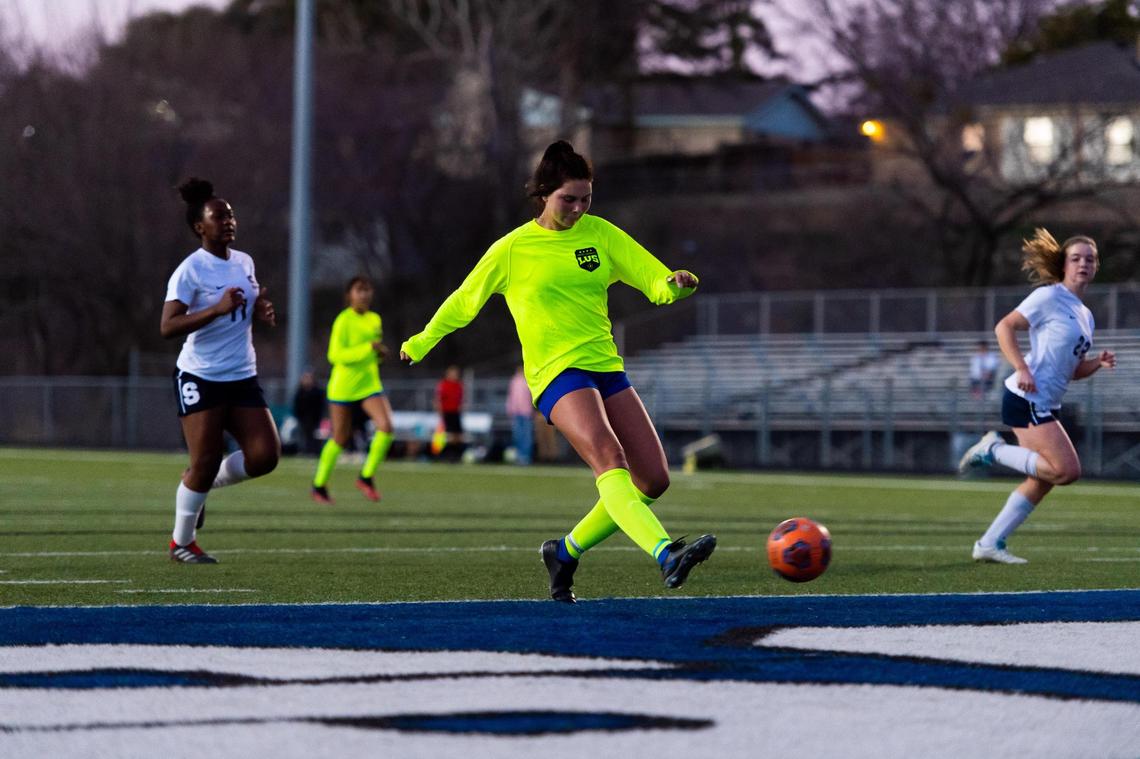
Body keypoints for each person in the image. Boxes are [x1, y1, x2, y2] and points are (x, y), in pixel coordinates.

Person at [400, 140, 716, 602]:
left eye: (586, 199)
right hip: (556, 374)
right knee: (609, 458)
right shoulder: (512, 249)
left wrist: (677, 284)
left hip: (605, 367)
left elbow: (653, 278)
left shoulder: (600, 234)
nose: (579, 208)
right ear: (543, 193)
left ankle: (564, 552)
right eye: (569, 199)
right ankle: (665, 552)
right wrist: (421, 342)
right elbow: (464, 302)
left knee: (654, 479)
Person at [959, 228, 1116, 564]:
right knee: (1067, 471)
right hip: (1026, 397)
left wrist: (1096, 363)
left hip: (1044, 402)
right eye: (1076, 258)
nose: (1083, 264)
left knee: (1043, 478)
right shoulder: (1049, 297)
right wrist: (1022, 368)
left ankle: (989, 543)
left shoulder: (1085, 315)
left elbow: (1073, 371)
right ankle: (993, 449)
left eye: (1090, 259)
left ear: (1096, 266)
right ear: (1064, 264)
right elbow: (1004, 326)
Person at [160, 177, 280, 564]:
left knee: (265, 456)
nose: (228, 221)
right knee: (205, 460)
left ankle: (200, 484)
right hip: (201, 376)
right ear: (200, 226)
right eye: (219, 216)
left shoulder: (244, 261)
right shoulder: (190, 270)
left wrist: (260, 308)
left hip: (241, 375)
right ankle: (181, 543)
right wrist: (215, 309)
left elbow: (248, 298)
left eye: (230, 215)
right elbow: (167, 326)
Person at [311, 276, 396, 504]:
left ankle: (366, 477)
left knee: (386, 427)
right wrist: (367, 349)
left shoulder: (375, 319)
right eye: (359, 290)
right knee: (340, 438)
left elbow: (372, 353)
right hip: (344, 387)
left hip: (369, 384)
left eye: (367, 290)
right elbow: (335, 355)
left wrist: (379, 354)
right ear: (349, 295)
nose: (364, 294)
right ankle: (319, 485)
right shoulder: (343, 320)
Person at [291, 369, 325, 455]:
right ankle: (303, 450)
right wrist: (298, 415)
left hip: (314, 418)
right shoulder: (300, 392)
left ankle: (314, 451)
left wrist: (319, 416)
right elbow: (297, 405)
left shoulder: (317, 392)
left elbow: (320, 405)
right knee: (302, 435)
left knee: (314, 435)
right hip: (302, 418)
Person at [434, 364, 465, 456]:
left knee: (458, 434)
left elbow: (461, 399)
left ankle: (457, 453)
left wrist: (461, 408)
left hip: (456, 412)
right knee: (449, 434)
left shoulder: (459, 385)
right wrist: (440, 412)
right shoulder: (443, 385)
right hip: (446, 412)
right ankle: (448, 453)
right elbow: (438, 399)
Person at [505, 364, 534, 465]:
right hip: (516, 412)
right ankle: (519, 455)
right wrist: (510, 408)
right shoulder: (514, 381)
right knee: (517, 435)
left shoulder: (528, 380)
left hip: (526, 412)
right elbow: (511, 396)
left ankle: (526, 457)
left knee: (526, 436)